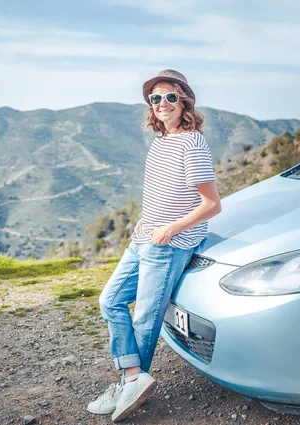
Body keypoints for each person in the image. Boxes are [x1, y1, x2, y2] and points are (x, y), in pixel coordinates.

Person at [87, 69, 222, 422]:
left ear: (185, 102)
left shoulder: (192, 143)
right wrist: (146, 220)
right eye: (155, 98)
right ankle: (134, 377)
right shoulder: (161, 142)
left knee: (146, 317)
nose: (162, 104)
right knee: (111, 300)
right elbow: (162, 192)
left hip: (169, 243)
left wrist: (169, 229)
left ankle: (130, 382)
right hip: (144, 238)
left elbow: (211, 205)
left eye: (170, 97)